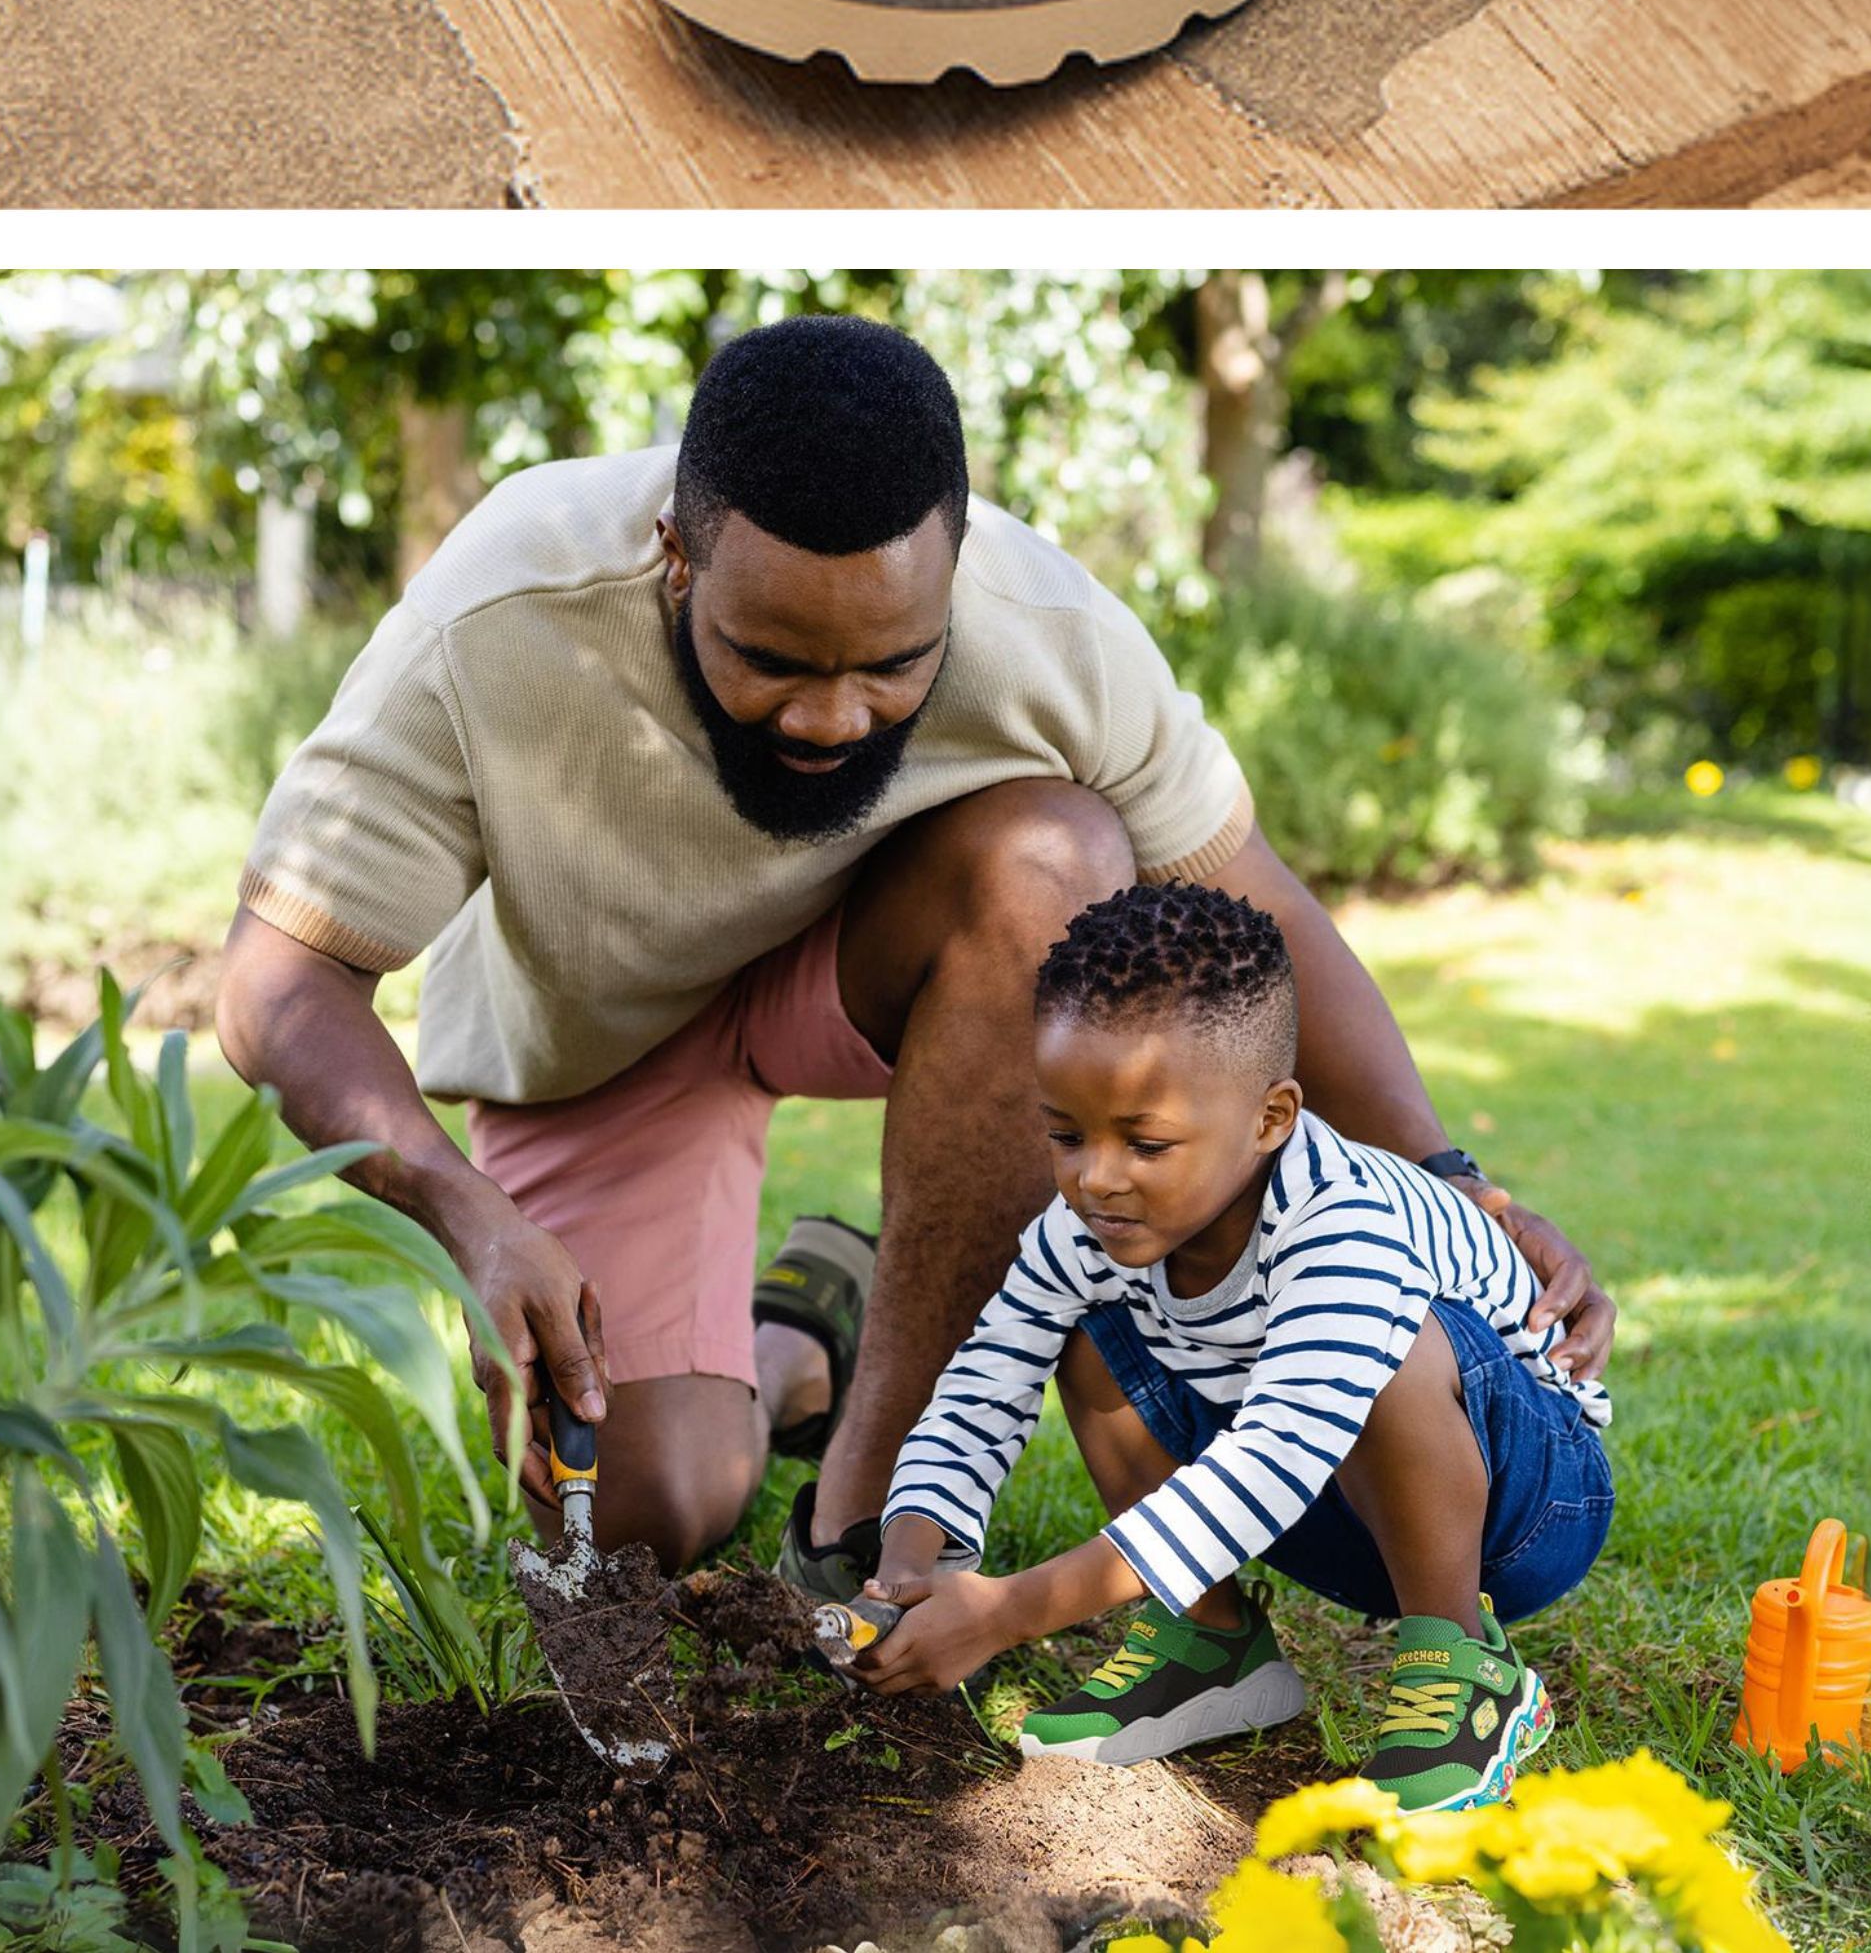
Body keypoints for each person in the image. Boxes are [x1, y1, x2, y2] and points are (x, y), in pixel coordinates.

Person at [214, 314, 1614, 1606]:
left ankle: (860, 1508)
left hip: (872, 970)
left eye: (894, 664)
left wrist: (1453, 1181)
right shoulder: (501, 613)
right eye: (771, 658)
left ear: (953, 569)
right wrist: (464, 1209)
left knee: (1059, 862)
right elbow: (281, 982)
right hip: (595, 1044)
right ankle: (797, 1344)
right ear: (674, 556)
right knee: (651, 1507)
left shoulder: (1050, 631)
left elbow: (1261, 919)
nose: (832, 715)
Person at [853, 885, 1614, 1802]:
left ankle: (1460, 1666)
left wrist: (1011, 1612)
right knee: (1088, 1330)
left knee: (1394, 1347)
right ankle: (1212, 1641)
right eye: (1065, 1134)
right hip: (1327, 1495)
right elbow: (985, 1380)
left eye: (1146, 1143)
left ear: (1270, 1118)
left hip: (1522, 1509)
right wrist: (911, 1556)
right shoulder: (1086, 1228)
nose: (1097, 1179)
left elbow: (1270, 1461)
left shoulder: (1346, 1225)